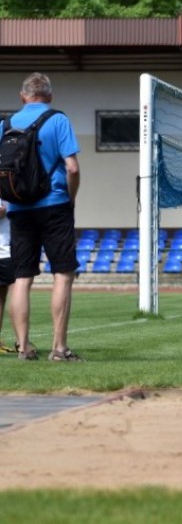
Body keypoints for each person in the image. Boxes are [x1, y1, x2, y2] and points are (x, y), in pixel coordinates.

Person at [5, 72, 82, 362]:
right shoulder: (58, 120)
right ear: (49, 96)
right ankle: (59, 349)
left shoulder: (6, 124)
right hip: (55, 205)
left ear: (23, 96)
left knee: (22, 278)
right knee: (63, 273)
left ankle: (24, 347)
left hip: (18, 209)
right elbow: (72, 167)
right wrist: (70, 198)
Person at [0, 199, 15, 353]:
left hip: (7, 250)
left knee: (2, 297)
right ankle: (22, 342)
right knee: (18, 291)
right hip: (3, 251)